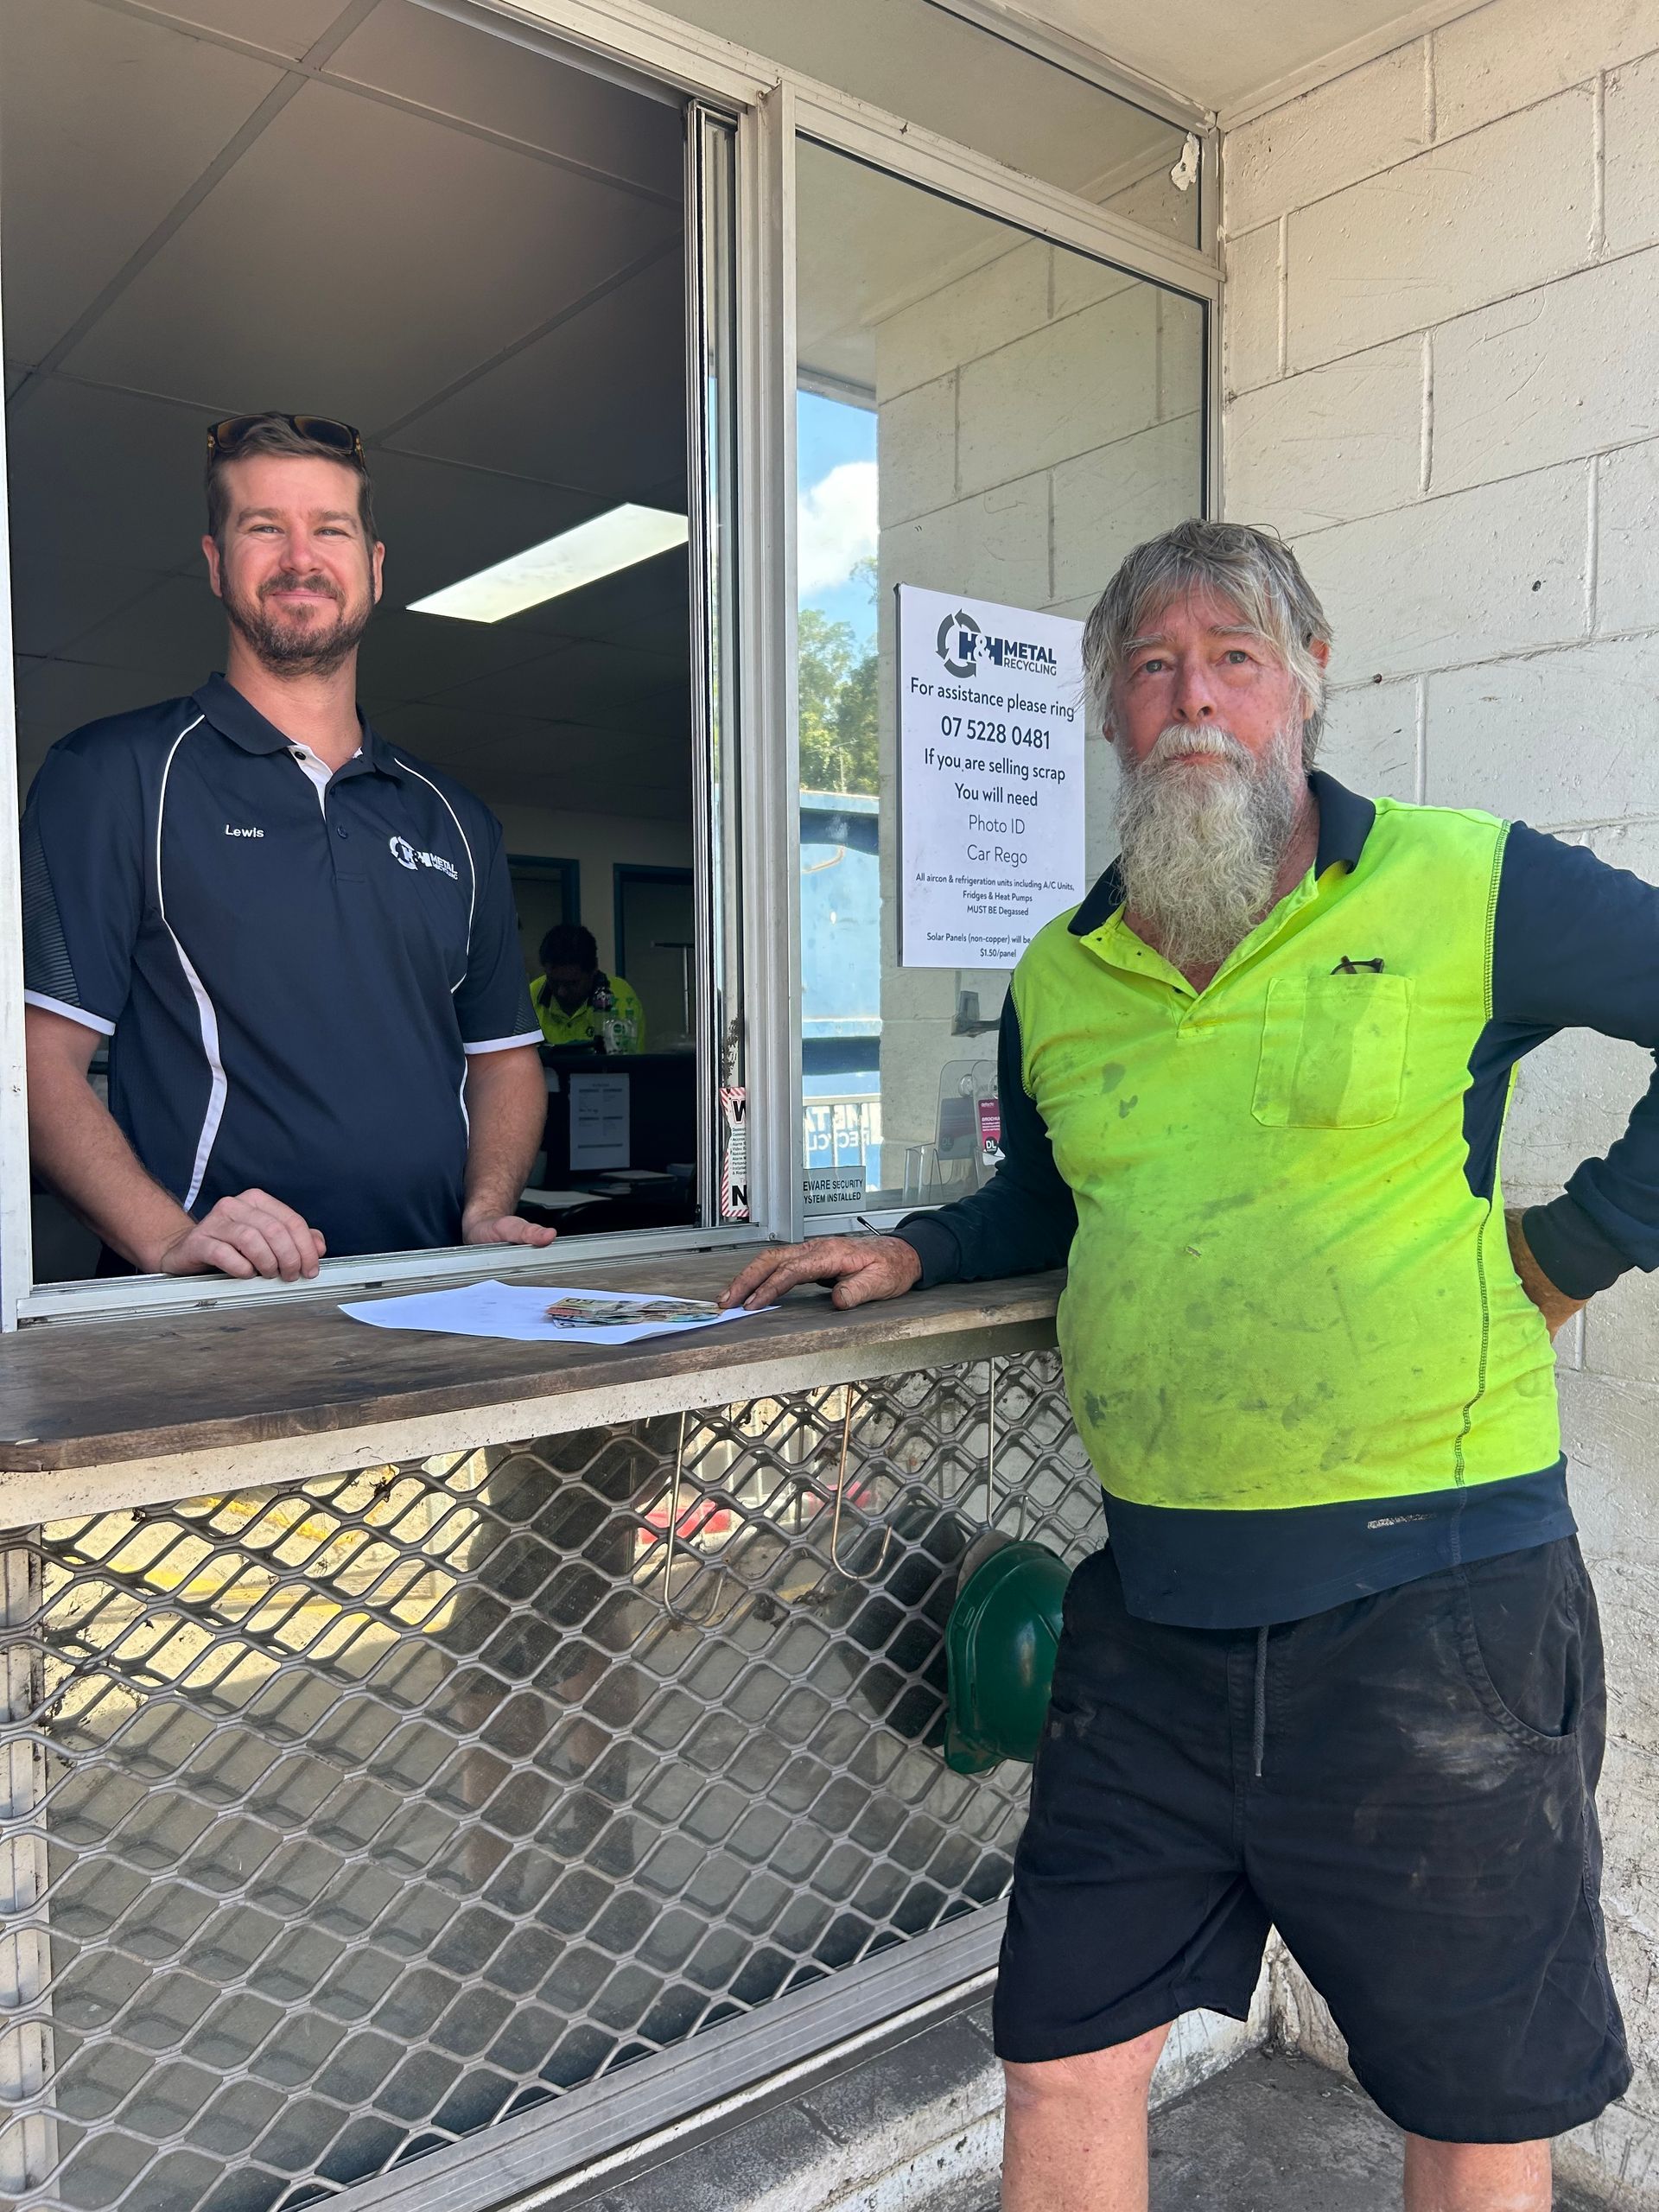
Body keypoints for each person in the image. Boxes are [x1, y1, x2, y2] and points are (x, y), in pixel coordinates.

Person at [721, 518, 1659, 2212]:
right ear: (1106, 714)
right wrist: (924, 1247)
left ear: (1308, 678)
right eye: (1150, 665)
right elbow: (1046, 1196)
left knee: (1469, 2096)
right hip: (1149, 1617)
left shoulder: (1466, 881)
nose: (1193, 695)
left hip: (1436, 1607)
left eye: (1233, 654)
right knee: (1061, 2046)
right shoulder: (1062, 972)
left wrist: (1574, 1245)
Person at [22, 411, 556, 1281]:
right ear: (215, 561)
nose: (300, 559)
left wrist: (486, 1208)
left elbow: (503, 1060)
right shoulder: (115, 776)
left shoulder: (454, 820)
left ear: (373, 569)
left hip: (433, 1301)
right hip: (213, 1318)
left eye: (330, 530)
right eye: (264, 527)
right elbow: (37, 1060)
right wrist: (164, 1239)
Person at [530, 922, 646, 1052]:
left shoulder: (620, 999)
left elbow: (625, 1066)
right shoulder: (530, 997)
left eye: (572, 983)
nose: (561, 992)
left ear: (594, 969)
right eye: (554, 982)